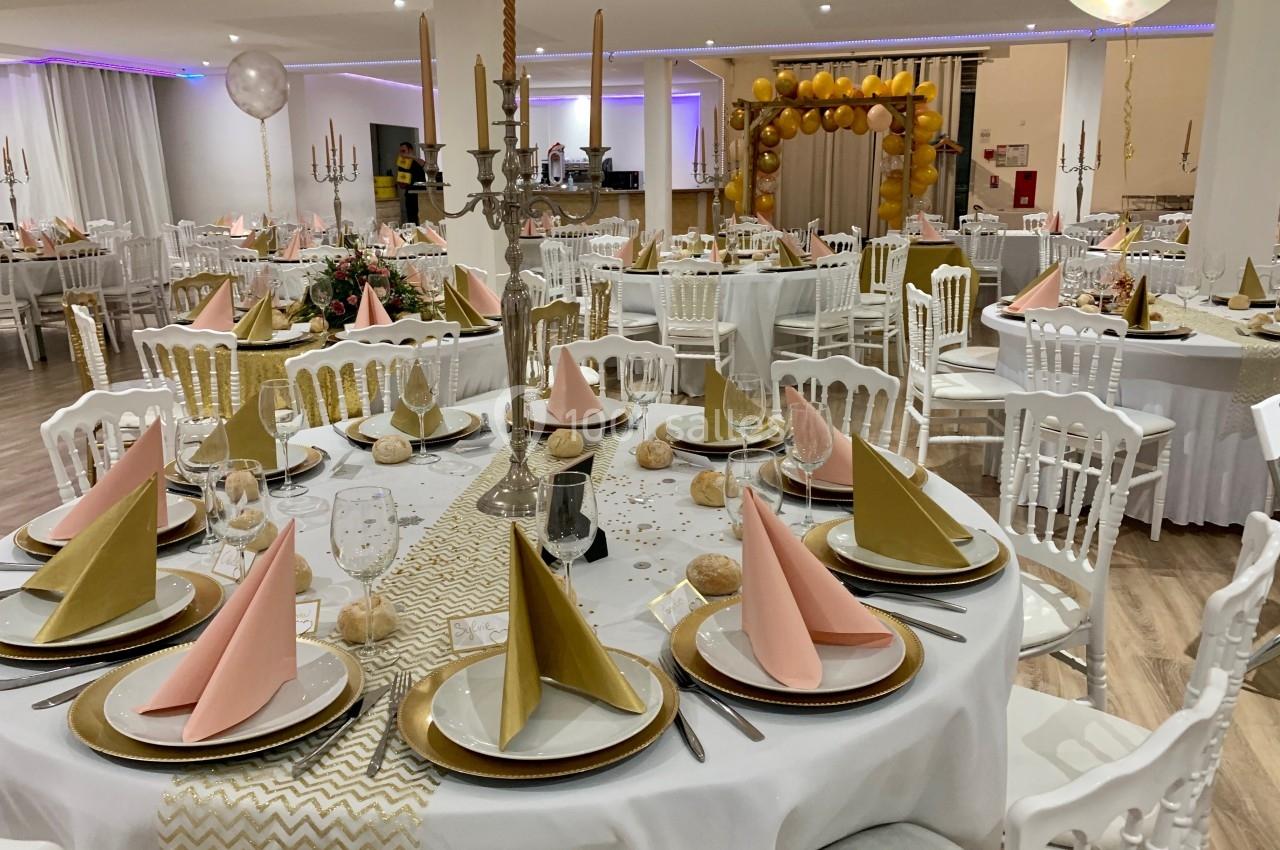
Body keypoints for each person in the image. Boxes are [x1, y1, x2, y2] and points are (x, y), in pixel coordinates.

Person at [397, 142, 427, 225]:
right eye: (400, 151)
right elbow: (402, 186)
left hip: (421, 194)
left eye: (403, 151)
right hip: (410, 195)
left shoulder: (417, 161)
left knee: (423, 218)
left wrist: (411, 157)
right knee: (411, 219)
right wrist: (401, 182)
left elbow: (426, 166)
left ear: (410, 150)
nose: (401, 153)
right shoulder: (402, 165)